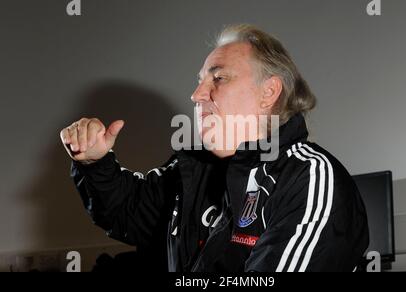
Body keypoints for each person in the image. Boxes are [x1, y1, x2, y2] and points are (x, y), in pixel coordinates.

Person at [60, 24, 369, 272]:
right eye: (199, 81)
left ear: (269, 92)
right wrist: (95, 163)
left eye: (218, 78)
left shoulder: (308, 176)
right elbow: (128, 212)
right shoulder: (192, 171)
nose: (196, 95)